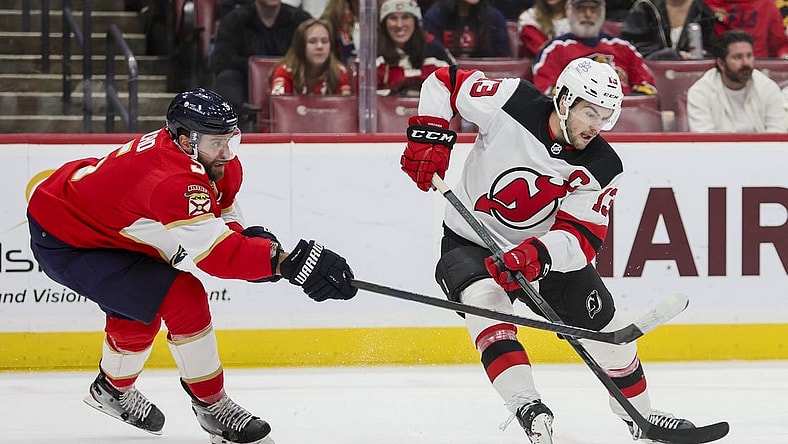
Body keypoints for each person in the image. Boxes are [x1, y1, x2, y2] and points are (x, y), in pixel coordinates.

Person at [26, 89, 357, 444]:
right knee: (183, 297)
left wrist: (263, 249)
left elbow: (222, 219)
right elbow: (217, 255)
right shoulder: (171, 180)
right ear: (186, 140)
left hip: (101, 221)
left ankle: (111, 389)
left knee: (140, 308)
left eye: (232, 139)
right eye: (218, 143)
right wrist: (284, 263)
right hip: (67, 237)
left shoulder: (212, 161)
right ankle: (212, 407)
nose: (228, 153)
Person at [398, 57, 701, 443]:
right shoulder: (512, 100)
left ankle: (641, 417)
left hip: (539, 256)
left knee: (611, 338)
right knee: (485, 306)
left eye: (606, 116)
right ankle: (528, 406)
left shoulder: (602, 165)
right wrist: (431, 136)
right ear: (564, 99)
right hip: (469, 241)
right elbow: (445, 81)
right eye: (590, 112)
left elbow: (582, 236)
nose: (596, 126)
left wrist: (537, 255)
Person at [532, 0, 657, 95]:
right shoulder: (553, 50)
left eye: (594, 8)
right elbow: (546, 93)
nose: (588, 14)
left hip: (626, 122)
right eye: (581, 8)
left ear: (603, 10)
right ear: (568, 10)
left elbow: (647, 90)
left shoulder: (624, 48)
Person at [211, 0, 312, 113]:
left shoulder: (300, 19)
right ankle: (231, 124)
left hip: (293, 77)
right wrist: (257, 68)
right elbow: (221, 60)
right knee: (227, 77)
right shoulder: (235, 19)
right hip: (246, 80)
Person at [687, 30, 787, 132]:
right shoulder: (700, 92)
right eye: (738, 57)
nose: (746, 63)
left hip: (763, 148)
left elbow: (777, 133)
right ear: (721, 63)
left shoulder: (768, 87)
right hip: (719, 147)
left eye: (749, 56)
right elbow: (704, 141)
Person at [377, 0, 457, 96]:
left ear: (415, 21)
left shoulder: (434, 50)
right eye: (393, 18)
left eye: (406, 17)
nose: (399, 25)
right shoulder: (374, 53)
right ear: (384, 23)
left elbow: (455, 90)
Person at [270, 19, 353, 95]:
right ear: (300, 46)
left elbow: (344, 107)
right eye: (312, 41)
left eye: (325, 41)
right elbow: (278, 104)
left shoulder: (340, 73)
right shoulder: (284, 72)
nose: (320, 46)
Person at [620, 0, 717, 60]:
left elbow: (711, 50)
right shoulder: (646, 6)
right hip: (650, 74)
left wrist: (703, 55)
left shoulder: (702, 10)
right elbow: (630, 47)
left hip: (690, 75)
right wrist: (673, 55)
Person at [423, 0, 512, 58]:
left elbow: (502, 60)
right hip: (448, 79)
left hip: (486, 80)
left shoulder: (495, 17)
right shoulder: (435, 15)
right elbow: (431, 58)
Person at [705, 0, 788, 59]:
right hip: (715, 72)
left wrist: (783, 57)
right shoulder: (703, 5)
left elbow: (780, 46)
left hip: (758, 71)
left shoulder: (766, 4)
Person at [319, 0, 359, 66]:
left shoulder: (355, 27)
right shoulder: (327, 25)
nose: (348, 12)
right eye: (346, 8)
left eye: (350, 9)